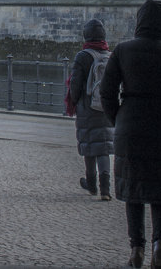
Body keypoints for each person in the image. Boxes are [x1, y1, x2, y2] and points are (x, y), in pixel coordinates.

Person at [101, 0, 161, 269]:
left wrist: (119, 118)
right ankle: (160, 246)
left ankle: (136, 249)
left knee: (133, 190)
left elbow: (106, 92)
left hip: (130, 125)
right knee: (160, 191)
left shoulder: (122, 51)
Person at [68, 19, 114, 200]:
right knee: (103, 146)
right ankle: (106, 190)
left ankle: (92, 184)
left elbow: (75, 84)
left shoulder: (83, 56)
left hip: (87, 107)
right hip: (106, 107)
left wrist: (74, 100)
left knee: (89, 145)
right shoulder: (110, 55)